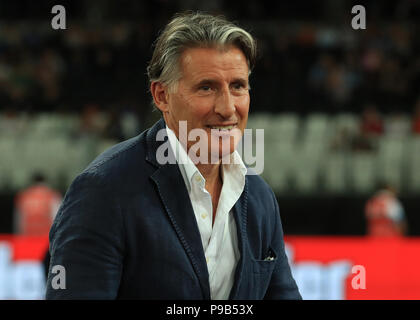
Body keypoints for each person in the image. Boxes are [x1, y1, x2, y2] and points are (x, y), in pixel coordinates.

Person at [46, 12, 301, 300]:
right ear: (162, 96)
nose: (228, 108)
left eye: (238, 86)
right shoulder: (103, 191)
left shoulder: (259, 196)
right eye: (207, 87)